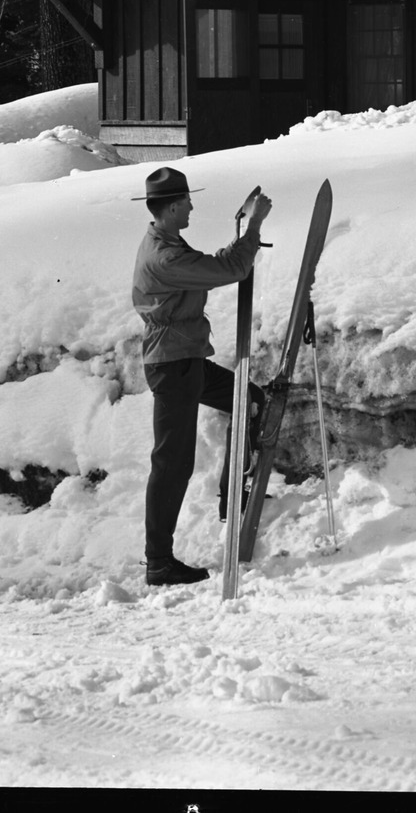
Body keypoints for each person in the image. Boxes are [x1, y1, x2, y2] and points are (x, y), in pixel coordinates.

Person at [130, 166, 272, 586]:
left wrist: (244, 232)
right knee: (171, 464)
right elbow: (230, 271)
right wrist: (255, 228)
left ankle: (233, 502)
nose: (192, 205)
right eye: (187, 201)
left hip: (184, 359)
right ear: (173, 207)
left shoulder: (167, 240)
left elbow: (217, 265)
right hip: (173, 366)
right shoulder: (166, 256)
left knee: (247, 399)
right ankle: (158, 562)